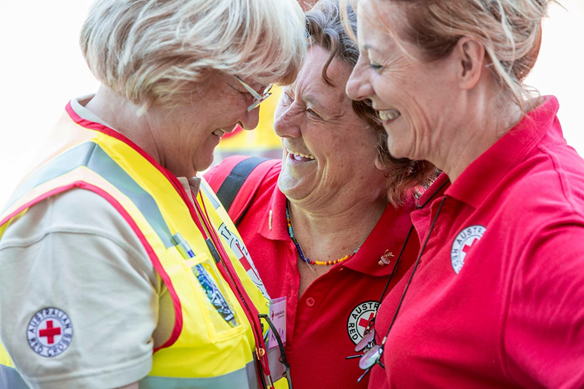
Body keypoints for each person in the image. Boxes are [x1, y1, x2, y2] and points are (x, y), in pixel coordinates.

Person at [0, 0, 306, 388]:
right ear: (176, 63)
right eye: (251, 92)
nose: (251, 120)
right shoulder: (80, 221)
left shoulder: (161, 167)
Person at [345, 0, 584, 387]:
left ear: (467, 64)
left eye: (377, 62)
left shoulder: (547, 224)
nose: (354, 86)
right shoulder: (464, 189)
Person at [205, 1, 436, 387]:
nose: (280, 125)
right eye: (286, 97)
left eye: (313, 111)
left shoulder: (429, 253)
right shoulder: (225, 193)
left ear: (390, 142)